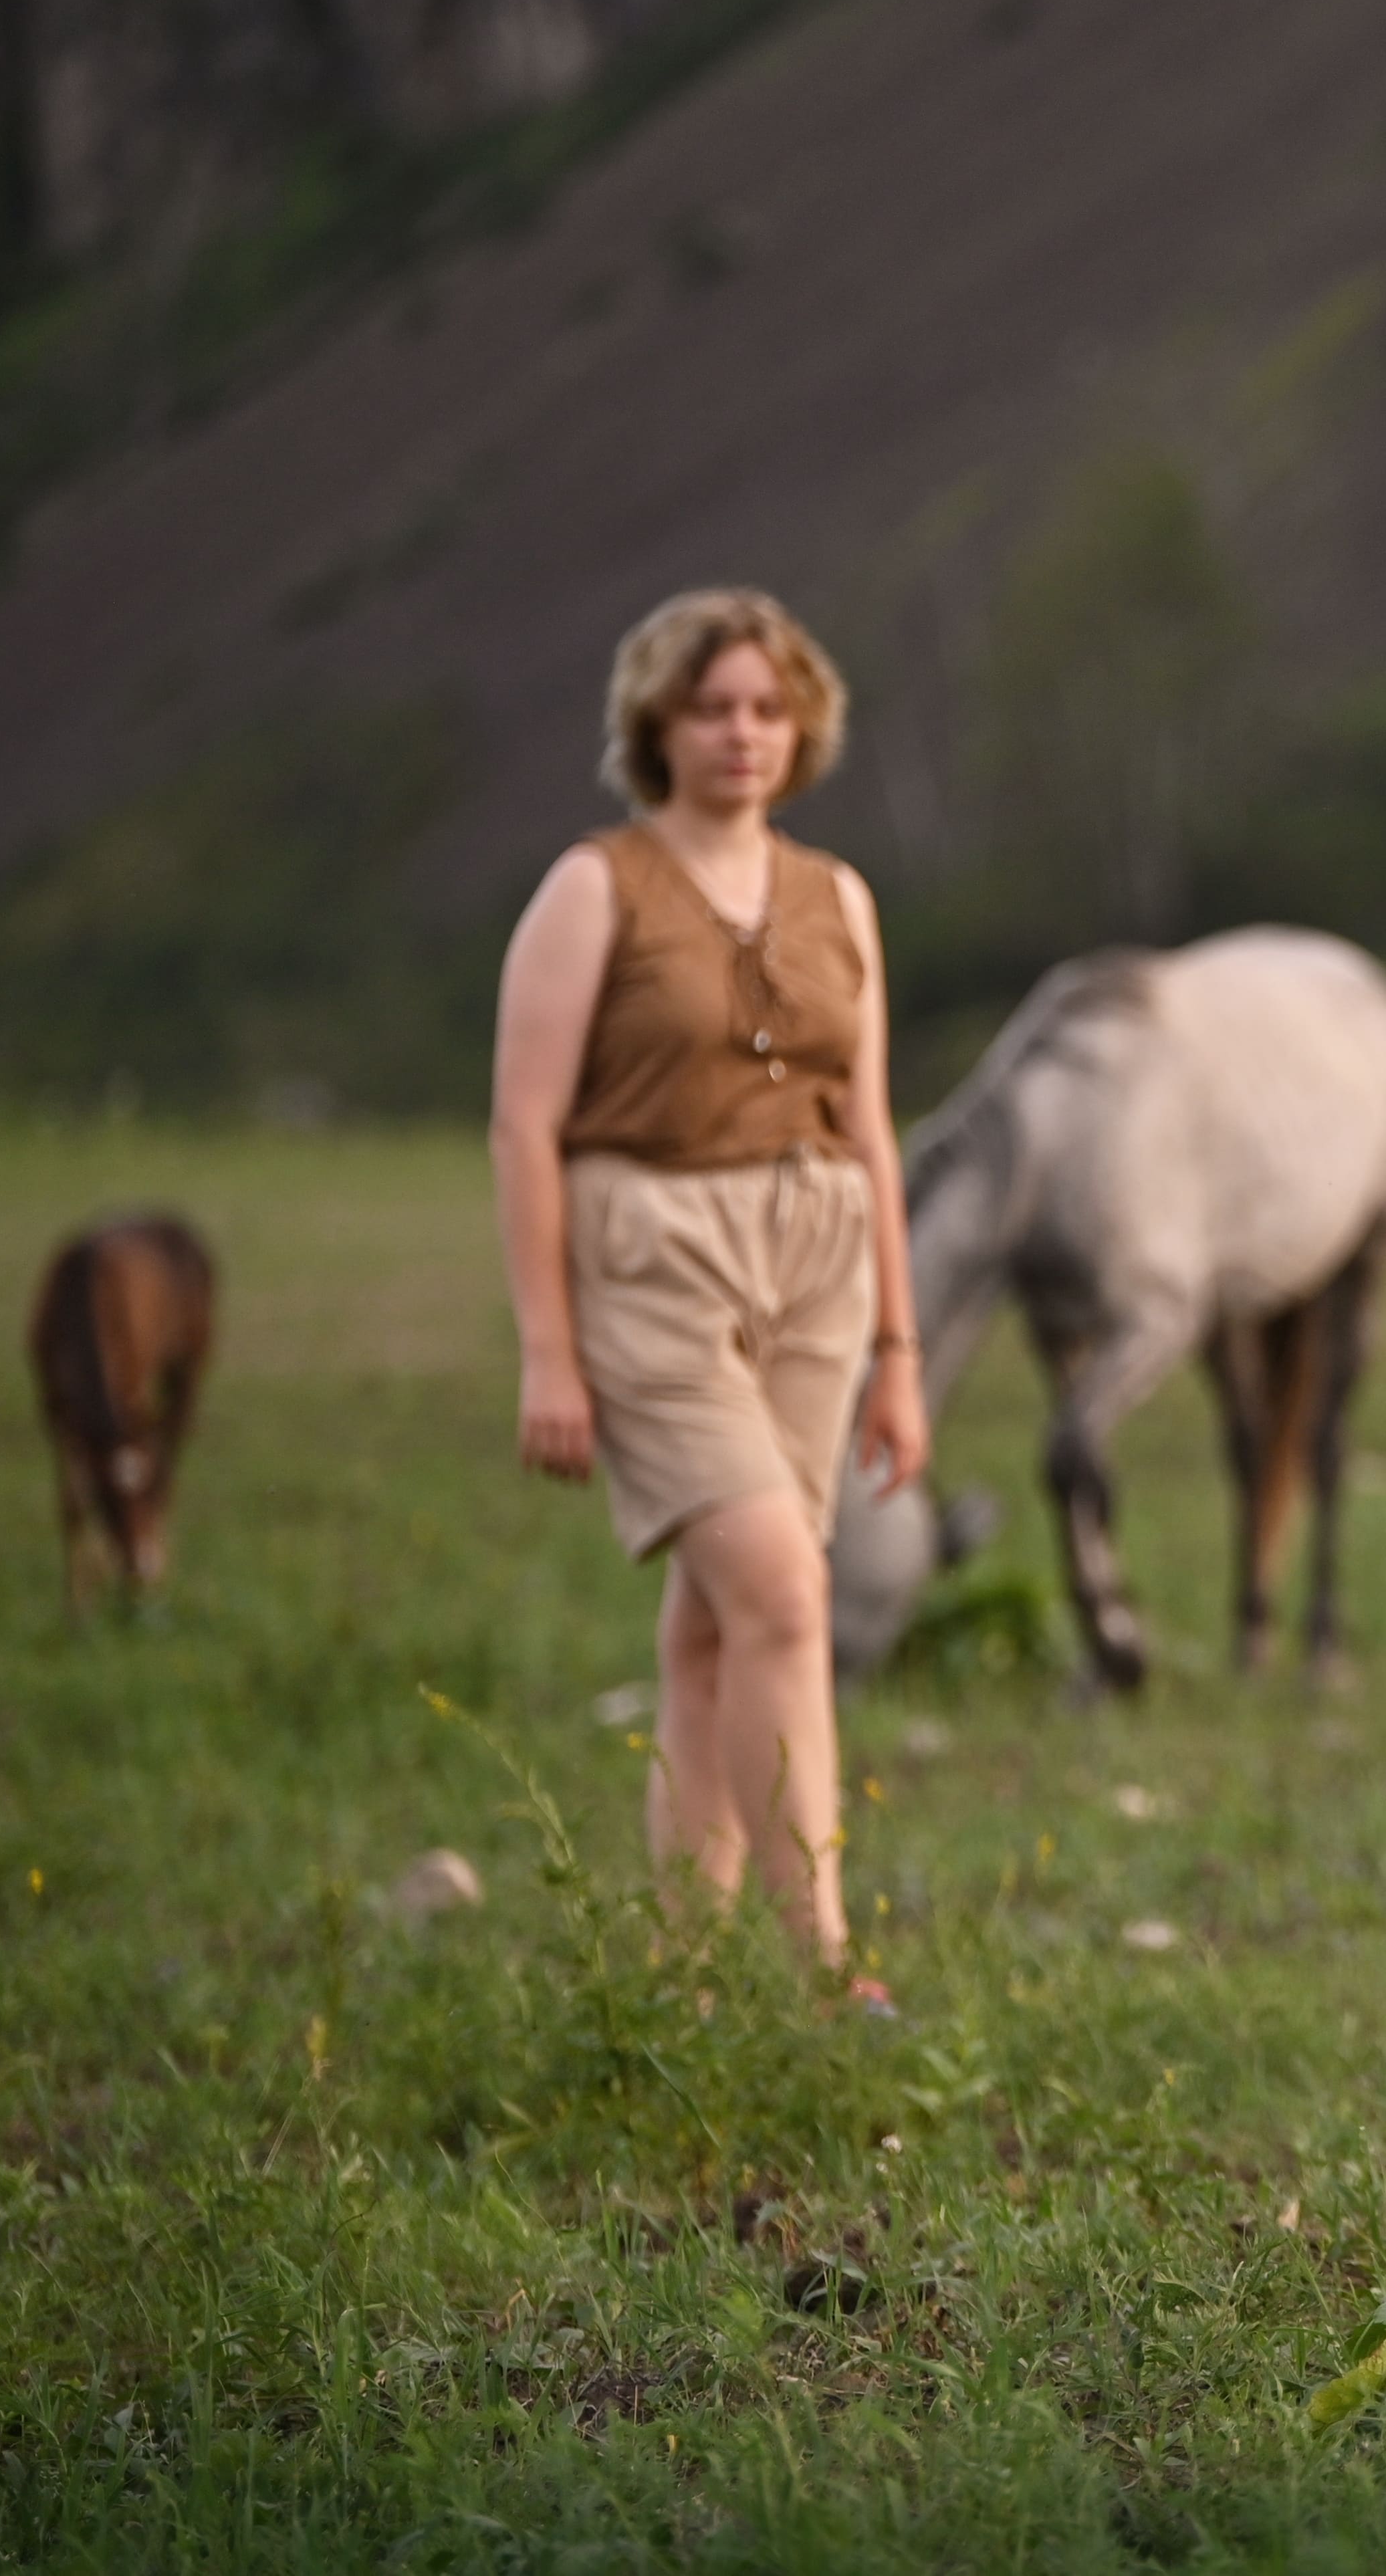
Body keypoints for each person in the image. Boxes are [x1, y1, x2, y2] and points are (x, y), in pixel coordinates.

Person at [488, 588, 927, 2000]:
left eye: (768, 708)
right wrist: (547, 1351)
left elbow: (872, 1129)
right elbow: (523, 1126)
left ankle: (680, 1980)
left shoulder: (838, 896)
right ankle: (825, 1972)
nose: (743, 733)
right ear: (657, 725)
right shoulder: (595, 888)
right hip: (654, 1256)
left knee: (710, 1628)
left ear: (802, 729)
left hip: (820, 1261)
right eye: (714, 707)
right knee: (786, 1597)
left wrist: (900, 1350)